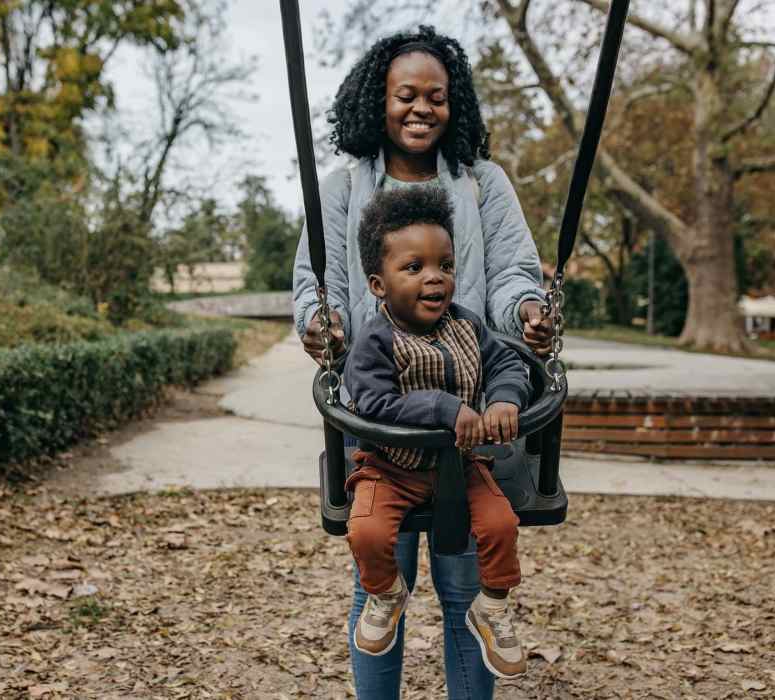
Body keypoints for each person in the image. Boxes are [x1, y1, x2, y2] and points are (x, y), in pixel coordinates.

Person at [292, 24, 553, 699]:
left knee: (466, 584)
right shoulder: (344, 189)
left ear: (453, 103)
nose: (420, 109)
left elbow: (512, 277)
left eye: (435, 97)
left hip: (467, 428)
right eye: (405, 95)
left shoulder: (482, 185)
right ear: (377, 101)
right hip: (379, 421)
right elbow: (318, 286)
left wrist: (528, 314)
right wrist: (324, 326)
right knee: (379, 570)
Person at [344, 186, 529, 681]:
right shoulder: (374, 340)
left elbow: (507, 362)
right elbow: (374, 403)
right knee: (365, 531)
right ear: (379, 285)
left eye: (444, 265)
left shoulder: (467, 325)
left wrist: (506, 397)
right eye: (414, 267)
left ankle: (491, 605)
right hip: (390, 468)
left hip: (461, 468)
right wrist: (446, 407)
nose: (435, 278)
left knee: (501, 526)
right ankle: (386, 593)